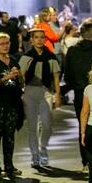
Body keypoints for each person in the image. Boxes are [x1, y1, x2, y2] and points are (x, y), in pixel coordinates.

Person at [64, 20, 92, 173]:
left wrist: (75, 85)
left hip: (80, 93)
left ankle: (87, 162)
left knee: (83, 128)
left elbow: (67, 75)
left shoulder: (72, 51)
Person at [19, 29, 62, 168]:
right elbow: (21, 76)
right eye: (36, 37)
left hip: (46, 92)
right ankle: (35, 155)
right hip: (30, 91)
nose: (39, 40)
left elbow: (56, 77)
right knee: (32, 126)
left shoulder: (50, 57)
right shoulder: (26, 57)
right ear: (31, 40)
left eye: (42, 37)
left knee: (47, 124)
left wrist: (58, 95)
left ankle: (43, 148)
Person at [0, 33, 25, 180]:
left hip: (13, 103)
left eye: (7, 42)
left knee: (9, 136)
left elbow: (20, 82)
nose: (5, 45)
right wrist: (5, 78)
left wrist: (19, 76)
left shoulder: (13, 60)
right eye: (2, 43)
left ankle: (9, 165)